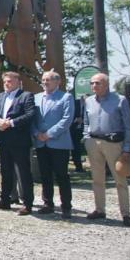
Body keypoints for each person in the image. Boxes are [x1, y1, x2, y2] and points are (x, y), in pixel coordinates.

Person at [83, 72, 130, 225]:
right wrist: (86, 137)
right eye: (92, 83)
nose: (94, 86)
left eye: (98, 83)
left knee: (120, 179)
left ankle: (125, 214)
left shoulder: (120, 100)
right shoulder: (88, 101)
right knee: (97, 178)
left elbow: (129, 126)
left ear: (106, 84)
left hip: (113, 143)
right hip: (93, 142)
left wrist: (127, 149)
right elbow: (86, 121)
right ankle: (100, 210)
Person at [0, 71, 36, 215]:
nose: (7, 84)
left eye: (9, 81)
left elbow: (30, 115)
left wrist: (11, 123)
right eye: (5, 82)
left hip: (20, 140)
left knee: (23, 172)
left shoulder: (26, 96)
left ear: (18, 82)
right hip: (3, 140)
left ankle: (27, 204)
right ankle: (5, 199)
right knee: (6, 171)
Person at [31, 71, 74, 218]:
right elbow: (32, 119)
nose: (45, 82)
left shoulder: (66, 97)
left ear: (58, 82)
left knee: (62, 176)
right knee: (45, 175)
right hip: (41, 143)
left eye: (48, 80)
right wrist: (37, 134)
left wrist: (48, 134)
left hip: (58, 143)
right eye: (43, 80)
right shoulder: (36, 98)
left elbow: (67, 119)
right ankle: (48, 203)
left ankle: (66, 206)